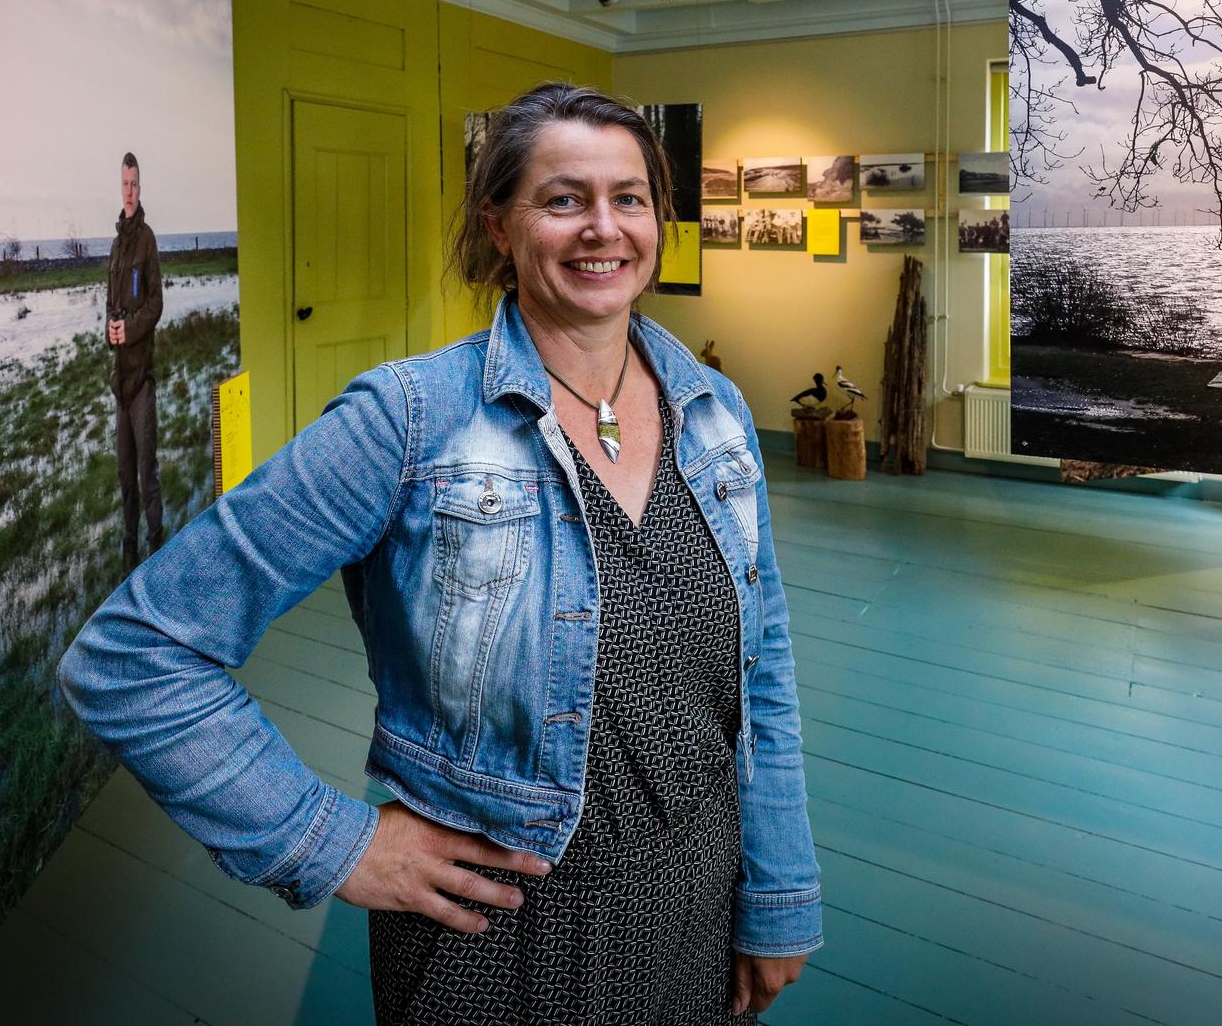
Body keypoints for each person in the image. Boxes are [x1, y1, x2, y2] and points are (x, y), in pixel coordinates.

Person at [59, 85, 821, 1025]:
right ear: (499, 224)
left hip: (698, 906)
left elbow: (763, 667)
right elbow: (133, 654)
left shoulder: (714, 410)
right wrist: (330, 840)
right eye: (564, 198)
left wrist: (779, 888)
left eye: (629, 197)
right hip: (498, 935)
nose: (603, 227)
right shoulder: (410, 419)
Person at [106, 151, 164, 572]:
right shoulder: (115, 246)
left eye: (134, 184)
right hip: (120, 383)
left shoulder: (147, 239)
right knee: (125, 474)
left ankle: (157, 553)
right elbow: (110, 304)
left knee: (146, 472)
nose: (129, 191)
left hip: (142, 378)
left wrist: (130, 330)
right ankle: (130, 553)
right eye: (124, 184)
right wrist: (110, 331)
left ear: (141, 188)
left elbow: (156, 303)